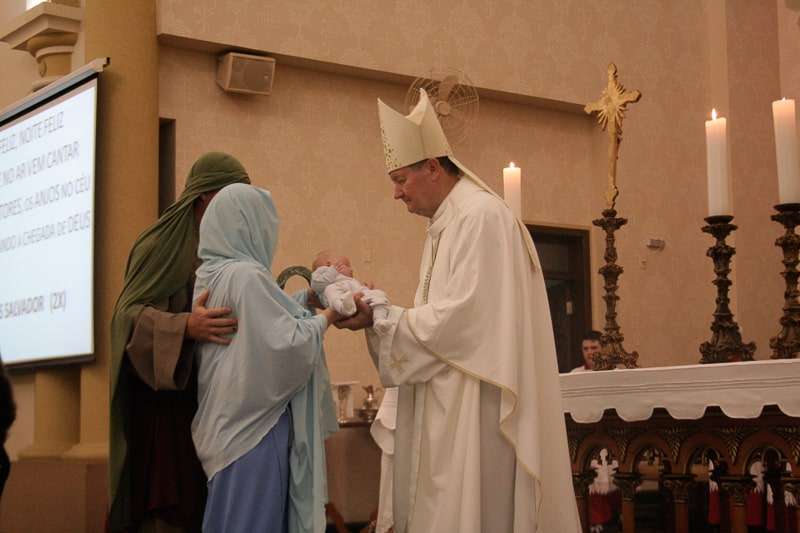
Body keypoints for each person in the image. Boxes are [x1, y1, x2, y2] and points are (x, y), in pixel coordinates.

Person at [337, 89, 581, 532]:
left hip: (476, 413)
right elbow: (446, 319)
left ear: (432, 167)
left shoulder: (479, 218)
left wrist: (384, 316)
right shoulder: (445, 225)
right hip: (448, 406)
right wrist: (385, 315)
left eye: (400, 179)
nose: (396, 194)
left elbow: (464, 321)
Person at [109, 152, 250, 532]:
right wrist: (184, 326)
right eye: (231, 199)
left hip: (207, 405)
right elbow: (126, 317)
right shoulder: (158, 246)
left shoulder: (226, 249)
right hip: (163, 412)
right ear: (205, 198)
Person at [191, 183, 340, 533]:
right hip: (254, 432)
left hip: (222, 428)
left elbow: (264, 319)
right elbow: (286, 343)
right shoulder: (246, 276)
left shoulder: (211, 274)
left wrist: (304, 301)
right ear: (248, 224)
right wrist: (330, 316)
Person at [310, 251, 391, 333]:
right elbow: (316, 285)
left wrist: (365, 290)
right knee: (330, 292)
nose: (351, 270)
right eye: (347, 265)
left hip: (355, 298)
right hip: (340, 296)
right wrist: (332, 272)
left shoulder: (350, 281)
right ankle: (343, 306)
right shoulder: (323, 274)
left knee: (378, 294)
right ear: (328, 264)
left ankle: (379, 319)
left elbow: (358, 290)